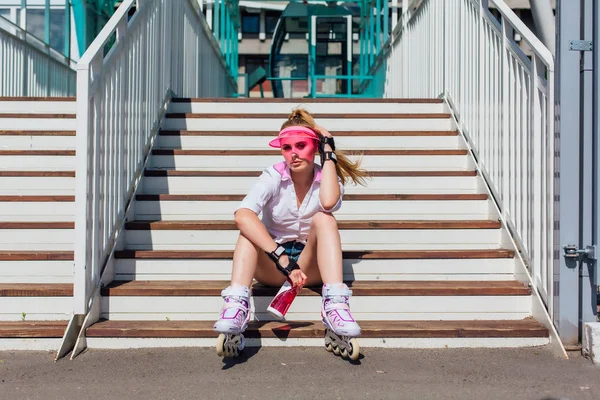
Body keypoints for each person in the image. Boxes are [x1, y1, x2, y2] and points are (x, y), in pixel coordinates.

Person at [213, 108, 369, 357]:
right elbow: (242, 214)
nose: (294, 153)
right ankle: (235, 308)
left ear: (314, 147)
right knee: (248, 230)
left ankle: (335, 306)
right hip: (274, 267)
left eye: (301, 145)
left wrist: (328, 153)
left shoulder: (326, 175)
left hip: (311, 267)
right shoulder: (273, 175)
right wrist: (281, 257)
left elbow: (328, 202)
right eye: (287, 147)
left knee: (324, 218)